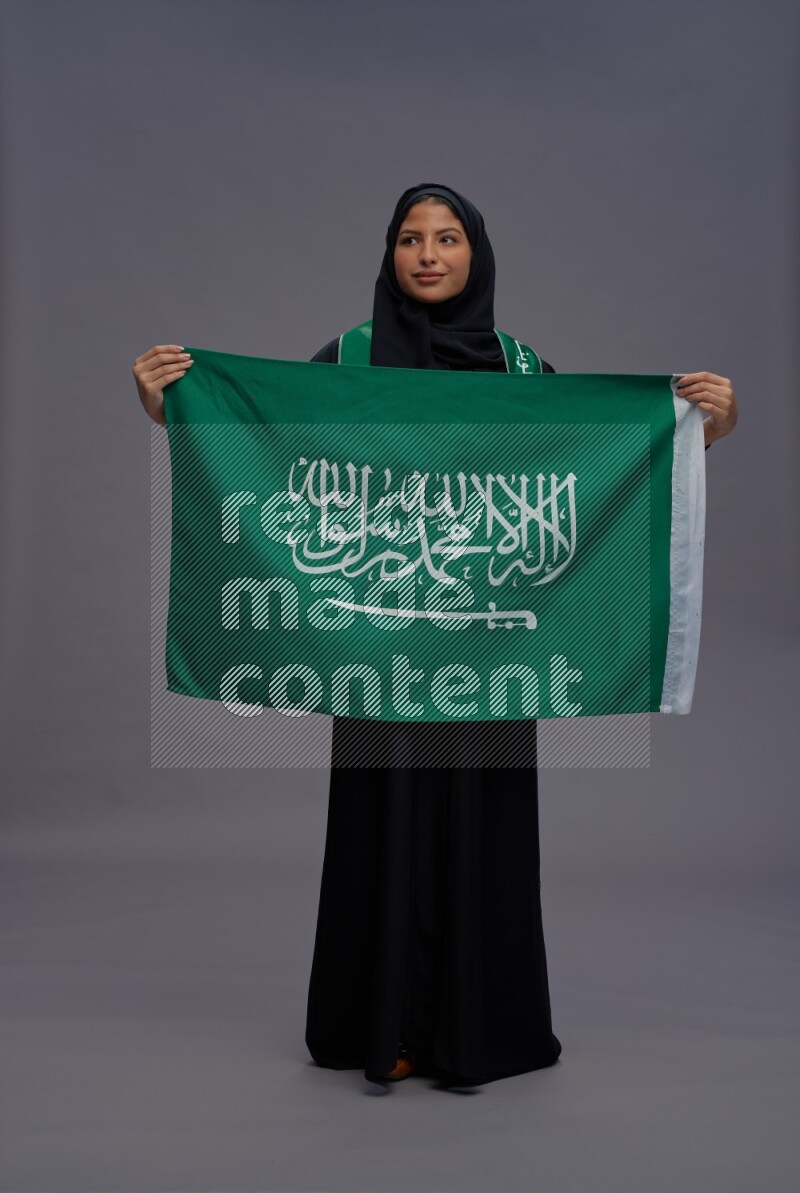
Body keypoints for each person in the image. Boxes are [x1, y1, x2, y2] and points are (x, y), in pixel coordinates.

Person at [132, 183, 738, 1089]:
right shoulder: (347, 359)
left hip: (490, 658)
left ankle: (472, 1035)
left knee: (484, 834)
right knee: (379, 828)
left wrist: (699, 429)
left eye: (447, 237)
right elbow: (268, 450)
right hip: (377, 651)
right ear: (389, 253)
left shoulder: (521, 369)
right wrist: (169, 406)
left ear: (475, 254)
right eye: (410, 238)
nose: (427, 254)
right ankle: (381, 1028)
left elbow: (595, 467)